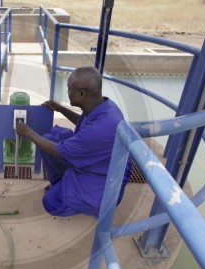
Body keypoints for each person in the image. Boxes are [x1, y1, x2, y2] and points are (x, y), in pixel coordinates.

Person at [16, 66, 132, 217]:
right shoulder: (104, 106)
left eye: (69, 89)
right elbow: (84, 124)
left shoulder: (98, 130)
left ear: (82, 94)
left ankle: (93, 206)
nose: (67, 92)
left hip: (104, 181)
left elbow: (59, 151)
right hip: (99, 162)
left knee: (51, 202)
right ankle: (62, 184)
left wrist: (27, 132)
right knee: (50, 138)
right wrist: (62, 109)